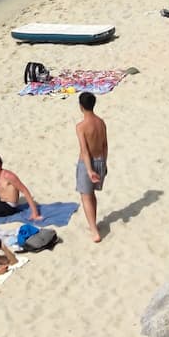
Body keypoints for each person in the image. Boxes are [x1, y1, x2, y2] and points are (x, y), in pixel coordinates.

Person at [76, 91, 109, 243]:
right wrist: (104, 163)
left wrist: (89, 170)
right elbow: (105, 145)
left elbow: (84, 149)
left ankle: (94, 230)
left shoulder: (81, 126)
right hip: (100, 160)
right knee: (92, 195)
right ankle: (93, 224)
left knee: (86, 196)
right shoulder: (101, 122)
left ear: (81, 106)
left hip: (87, 163)